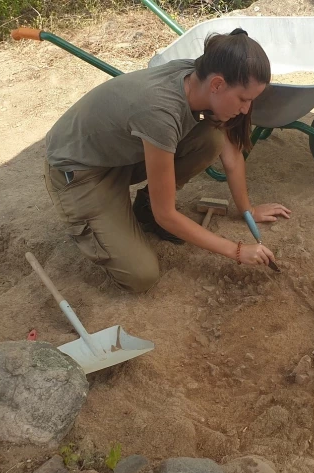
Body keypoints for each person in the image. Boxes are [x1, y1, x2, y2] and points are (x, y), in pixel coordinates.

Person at [42, 28, 291, 294]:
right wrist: (237, 250)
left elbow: (230, 154)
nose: (245, 109)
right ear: (217, 84)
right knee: (141, 275)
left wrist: (248, 210)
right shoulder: (160, 112)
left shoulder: (197, 76)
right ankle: (97, 221)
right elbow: (167, 215)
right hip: (81, 173)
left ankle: (144, 208)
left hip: (120, 153)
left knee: (211, 139)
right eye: (244, 99)